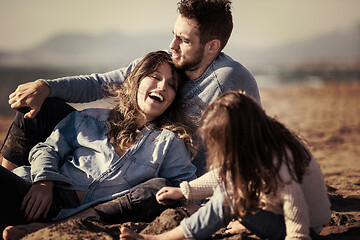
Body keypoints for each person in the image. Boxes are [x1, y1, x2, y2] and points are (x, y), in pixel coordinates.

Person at [1, 0, 261, 177]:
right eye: (173, 34)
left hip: (157, 170)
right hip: (119, 146)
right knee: (36, 109)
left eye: (183, 40)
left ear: (212, 47)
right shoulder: (163, 65)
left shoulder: (230, 79)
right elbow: (98, 84)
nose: (172, 45)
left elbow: (256, 143)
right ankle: (10, 179)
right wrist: (46, 86)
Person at [0, 51, 197, 236]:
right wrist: (44, 182)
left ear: (173, 98)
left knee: (159, 187)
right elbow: (49, 148)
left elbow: (189, 190)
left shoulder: (169, 142)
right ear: (136, 81)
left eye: (171, 85)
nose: (162, 87)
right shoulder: (92, 117)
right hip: (40, 197)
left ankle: (49, 228)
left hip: (92, 216)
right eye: (155, 77)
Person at [119, 91, 331, 240]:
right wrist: (183, 191)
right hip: (277, 213)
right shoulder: (265, 136)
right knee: (227, 191)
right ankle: (242, 218)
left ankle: (160, 239)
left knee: (229, 199)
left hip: (302, 228)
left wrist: (297, 236)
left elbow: (295, 205)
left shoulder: (275, 159)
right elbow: (224, 173)